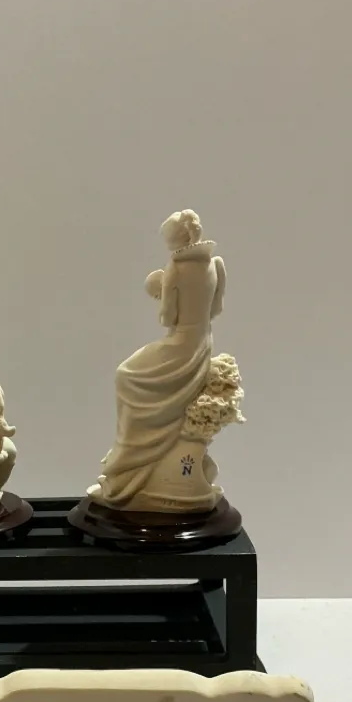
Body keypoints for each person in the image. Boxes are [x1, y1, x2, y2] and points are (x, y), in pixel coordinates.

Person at [93, 210, 226, 508]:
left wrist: (160, 288)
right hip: (203, 344)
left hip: (180, 343)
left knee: (127, 375)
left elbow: (167, 318)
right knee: (136, 376)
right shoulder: (216, 264)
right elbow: (216, 309)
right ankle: (145, 453)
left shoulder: (176, 269)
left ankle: (130, 455)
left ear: (175, 240)